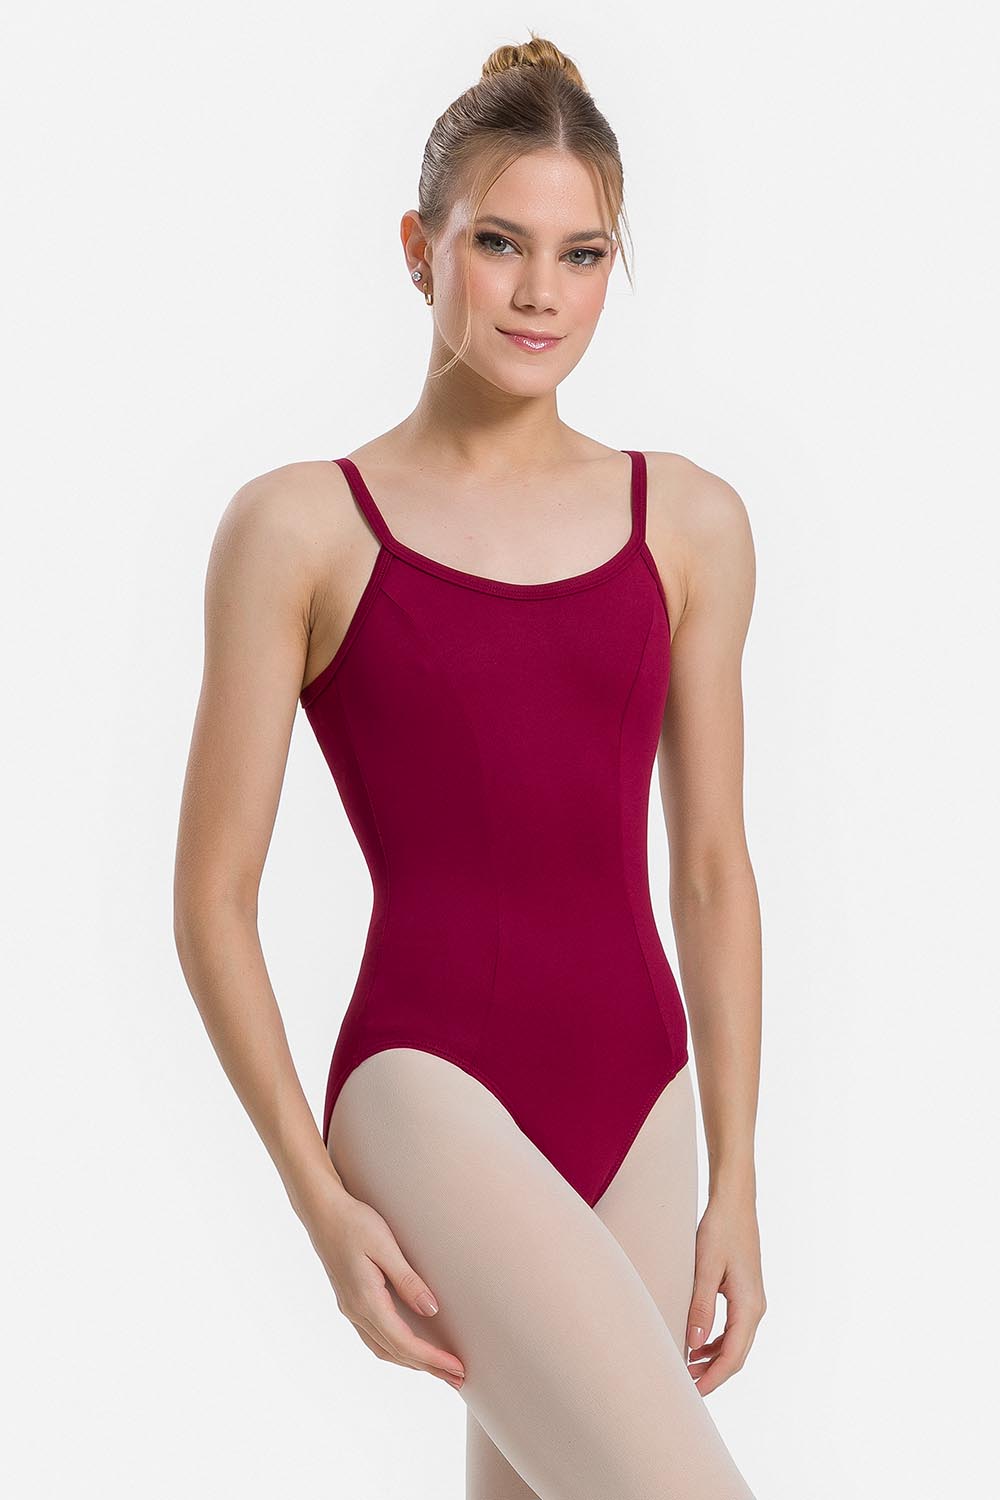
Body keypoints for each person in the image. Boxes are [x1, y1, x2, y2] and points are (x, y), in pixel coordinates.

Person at [174, 32, 764, 1500]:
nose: (539, 292)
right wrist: (317, 1200)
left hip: (643, 1092)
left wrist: (739, 1177)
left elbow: (710, 870)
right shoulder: (301, 528)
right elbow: (212, 900)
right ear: (417, 247)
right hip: (424, 1082)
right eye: (499, 243)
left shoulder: (687, 521)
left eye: (582, 254)